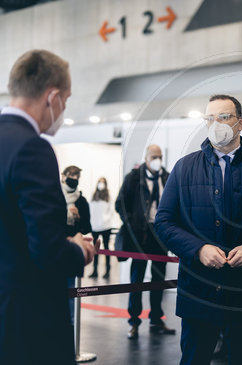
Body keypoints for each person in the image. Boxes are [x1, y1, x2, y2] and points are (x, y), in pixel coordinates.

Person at [155, 94, 242, 365]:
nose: (215, 123)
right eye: (209, 118)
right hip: (200, 290)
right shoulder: (185, 168)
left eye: (223, 117)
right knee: (195, 358)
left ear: (240, 124)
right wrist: (198, 249)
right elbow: (164, 221)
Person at [0, 49, 97, 365]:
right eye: (66, 101)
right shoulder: (32, 147)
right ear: (52, 97)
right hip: (26, 318)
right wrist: (79, 250)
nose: (63, 109)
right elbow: (47, 250)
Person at [115, 144, 176, 339]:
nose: (158, 160)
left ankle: (156, 320)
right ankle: (134, 322)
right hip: (139, 236)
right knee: (137, 281)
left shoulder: (166, 177)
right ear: (146, 158)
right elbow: (120, 203)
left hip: (160, 236)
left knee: (158, 281)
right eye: (154, 156)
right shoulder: (133, 178)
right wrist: (131, 222)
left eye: (160, 156)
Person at [60, 165, 92, 325]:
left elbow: (87, 228)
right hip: (55, 247)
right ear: (64, 176)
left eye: (77, 176)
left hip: (71, 251)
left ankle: (70, 329)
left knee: (70, 290)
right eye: (71, 175)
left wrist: (78, 218)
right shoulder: (54, 196)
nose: (74, 178)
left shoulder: (81, 200)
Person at [89, 177, 114, 279]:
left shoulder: (108, 196)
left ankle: (107, 270)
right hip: (94, 226)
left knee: (107, 248)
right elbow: (91, 209)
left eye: (103, 182)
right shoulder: (94, 195)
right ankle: (95, 270)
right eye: (100, 182)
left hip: (106, 226)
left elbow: (111, 211)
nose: (101, 184)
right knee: (96, 249)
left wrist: (105, 220)